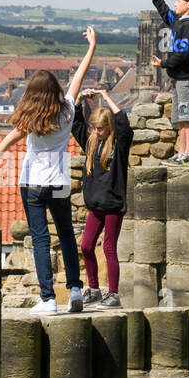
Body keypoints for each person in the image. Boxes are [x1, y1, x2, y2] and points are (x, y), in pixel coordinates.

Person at [0, 28, 98, 314]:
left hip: (33, 182)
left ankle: (48, 298)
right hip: (60, 179)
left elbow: (8, 141)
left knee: (40, 239)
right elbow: (79, 77)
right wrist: (92, 47)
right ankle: (75, 288)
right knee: (65, 234)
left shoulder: (31, 119)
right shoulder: (68, 110)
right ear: (55, 91)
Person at [72, 86, 132, 307]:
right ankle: (94, 289)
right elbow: (75, 124)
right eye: (94, 128)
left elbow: (124, 124)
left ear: (109, 128)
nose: (96, 132)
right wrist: (79, 99)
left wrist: (106, 97)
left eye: (100, 129)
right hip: (95, 205)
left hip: (113, 205)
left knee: (108, 248)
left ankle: (113, 294)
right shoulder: (90, 144)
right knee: (86, 246)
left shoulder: (119, 145)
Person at [142, 0, 189, 165]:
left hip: (186, 77)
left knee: (187, 117)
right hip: (179, 77)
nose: (175, 3)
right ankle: (182, 153)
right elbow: (162, 9)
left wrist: (165, 64)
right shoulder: (179, 20)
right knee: (180, 117)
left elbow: (184, 54)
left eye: (179, 0)